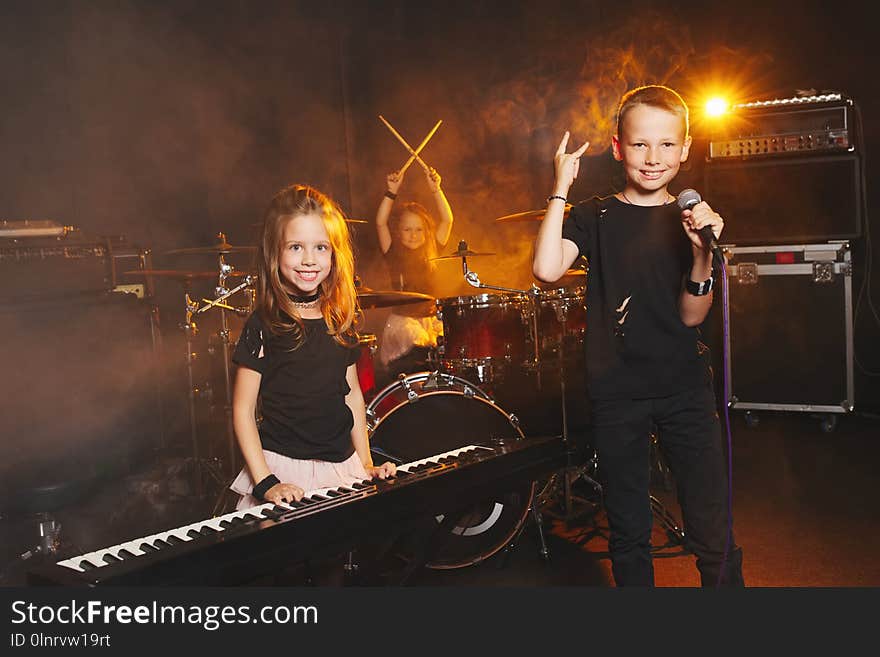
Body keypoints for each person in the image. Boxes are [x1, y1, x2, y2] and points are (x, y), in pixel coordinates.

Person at [532, 84, 744, 586]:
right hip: (618, 391)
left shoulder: (690, 220)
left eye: (667, 144)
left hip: (683, 386)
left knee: (712, 525)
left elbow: (692, 316)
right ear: (617, 146)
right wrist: (561, 185)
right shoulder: (595, 216)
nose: (653, 158)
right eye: (641, 144)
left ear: (685, 149)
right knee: (628, 529)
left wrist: (700, 254)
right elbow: (545, 268)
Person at [229, 183, 395, 513]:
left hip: (341, 468)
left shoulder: (340, 319)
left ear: (335, 255)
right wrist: (266, 483)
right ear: (274, 252)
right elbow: (243, 410)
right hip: (282, 468)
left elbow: (352, 395)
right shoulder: (263, 325)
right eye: (295, 247)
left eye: (321, 247)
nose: (309, 260)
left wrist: (365, 463)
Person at [374, 165, 452, 380]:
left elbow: (447, 220)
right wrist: (391, 191)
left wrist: (436, 190)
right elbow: (380, 222)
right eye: (407, 229)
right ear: (398, 232)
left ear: (427, 233)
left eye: (419, 229)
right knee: (418, 349)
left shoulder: (433, 249)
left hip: (430, 320)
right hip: (403, 323)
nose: (413, 235)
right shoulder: (392, 251)